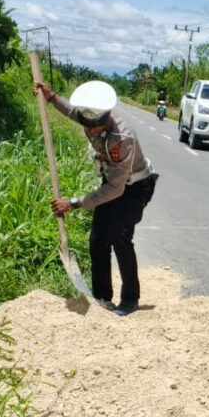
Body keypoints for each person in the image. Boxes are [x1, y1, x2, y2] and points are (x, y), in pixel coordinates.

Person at [35, 80, 158, 316]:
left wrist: (74, 203)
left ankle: (130, 299)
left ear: (105, 119)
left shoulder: (122, 138)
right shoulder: (89, 116)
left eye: (94, 129)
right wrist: (51, 97)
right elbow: (73, 111)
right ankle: (102, 296)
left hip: (134, 186)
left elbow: (116, 189)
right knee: (97, 239)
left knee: (121, 238)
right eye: (86, 127)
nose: (89, 132)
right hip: (112, 182)